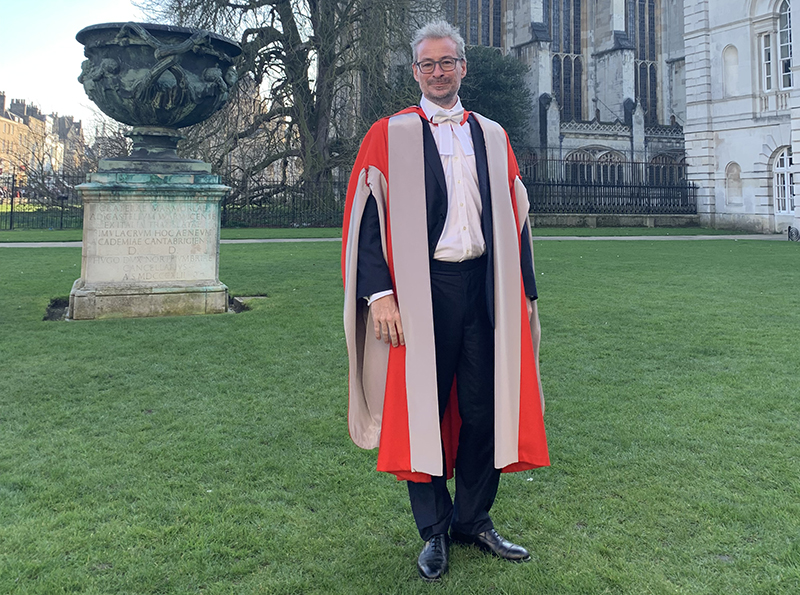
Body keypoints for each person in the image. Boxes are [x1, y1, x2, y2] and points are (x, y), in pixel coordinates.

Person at [341, 20, 549, 581]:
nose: (438, 72)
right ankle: (433, 531)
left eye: (447, 62)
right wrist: (379, 294)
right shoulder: (389, 135)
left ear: (463, 68)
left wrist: (525, 290)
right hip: (419, 288)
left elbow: (517, 216)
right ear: (415, 72)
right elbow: (365, 221)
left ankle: (473, 520)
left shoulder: (492, 135)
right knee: (421, 411)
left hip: (484, 285)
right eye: (427, 64)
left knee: (485, 410)